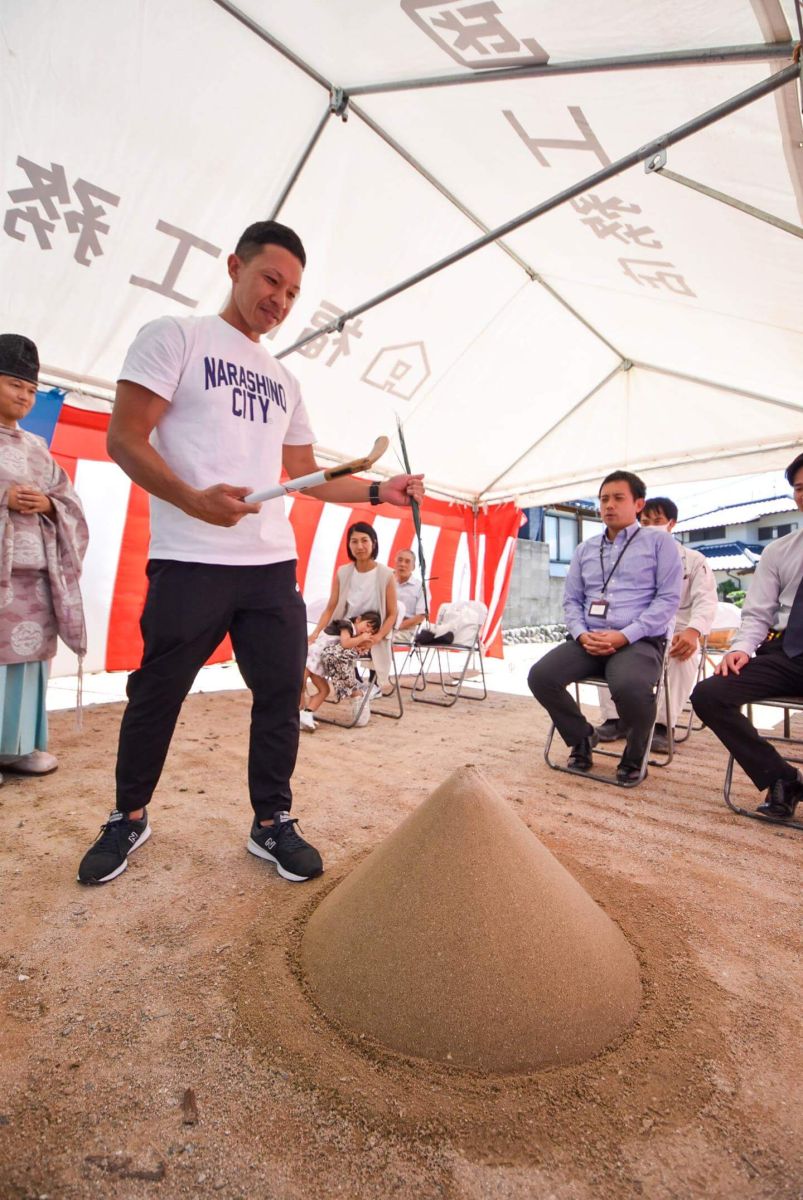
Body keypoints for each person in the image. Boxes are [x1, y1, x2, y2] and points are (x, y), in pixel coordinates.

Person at [77, 220, 423, 886]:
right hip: (190, 558)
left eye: (293, 292)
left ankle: (272, 823)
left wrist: (380, 488)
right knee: (158, 693)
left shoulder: (283, 378)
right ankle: (128, 815)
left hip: (268, 568)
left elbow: (307, 471)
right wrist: (190, 497)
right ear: (234, 266)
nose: (280, 300)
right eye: (270, 280)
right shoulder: (174, 336)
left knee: (279, 695)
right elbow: (125, 439)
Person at [528, 471, 683, 783]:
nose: (609, 505)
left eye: (618, 498)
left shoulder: (660, 542)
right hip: (590, 638)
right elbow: (571, 600)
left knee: (629, 686)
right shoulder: (586, 549)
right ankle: (582, 738)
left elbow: (667, 601)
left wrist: (625, 635)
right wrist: (581, 633)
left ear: (638, 504)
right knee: (541, 676)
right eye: (603, 499)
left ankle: (635, 755)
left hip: (639, 640)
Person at [692, 452, 803, 821]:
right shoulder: (778, 551)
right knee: (709, 694)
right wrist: (740, 649)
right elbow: (757, 614)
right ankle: (782, 779)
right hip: (788, 652)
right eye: (801, 489)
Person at [0, 334, 88, 782]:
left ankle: (16, 746)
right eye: (15, 383)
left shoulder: (37, 447)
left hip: (34, 579)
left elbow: (69, 502)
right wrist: (4, 496)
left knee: (27, 662)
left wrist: (49, 506)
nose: (24, 395)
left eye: (31, 389)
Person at [597, 496, 718, 753]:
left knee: (682, 656)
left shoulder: (694, 560)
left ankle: (663, 725)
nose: (651, 525)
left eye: (658, 520)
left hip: (680, 629)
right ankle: (614, 718)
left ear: (671, 523)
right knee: (605, 645)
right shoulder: (626, 558)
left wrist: (692, 632)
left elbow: (706, 601)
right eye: (645, 520)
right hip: (635, 628)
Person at [307, 521, 398, 699]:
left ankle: (358, 691)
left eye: (364, 540)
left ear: (374, 543)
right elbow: (331, 607)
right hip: (345, 632)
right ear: (348, 545)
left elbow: (392, 613)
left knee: (333, 654)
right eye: (354, 541)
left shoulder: (386, 574)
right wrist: (316, 632)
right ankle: (309, 702)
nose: (360, 546)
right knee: (312, 650)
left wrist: (376, 638)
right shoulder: (343, 572)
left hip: (372, 634)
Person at [300, 610, 381, 731]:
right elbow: (345, 643)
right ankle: (298, 714)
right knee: (300, 687)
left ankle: (307, 713)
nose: (367, 631)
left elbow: (347, 646)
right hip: (311, 656)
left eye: (370, 631)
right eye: (367, 625)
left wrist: (360, 645)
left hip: (318, 663)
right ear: (358, 619)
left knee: (324, 690)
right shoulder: (346, 625)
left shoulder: (353, 634)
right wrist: (361, 638)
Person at [393, 548, 427, 643]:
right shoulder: (388, 583)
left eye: (407, 561)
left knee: (381, 640)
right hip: (386, 626)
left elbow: (420, 616)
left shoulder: (420, 587)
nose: (402, 564)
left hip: (406, 630)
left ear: (413, 567)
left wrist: (397, 627)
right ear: (395, 563)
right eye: (400, 560)